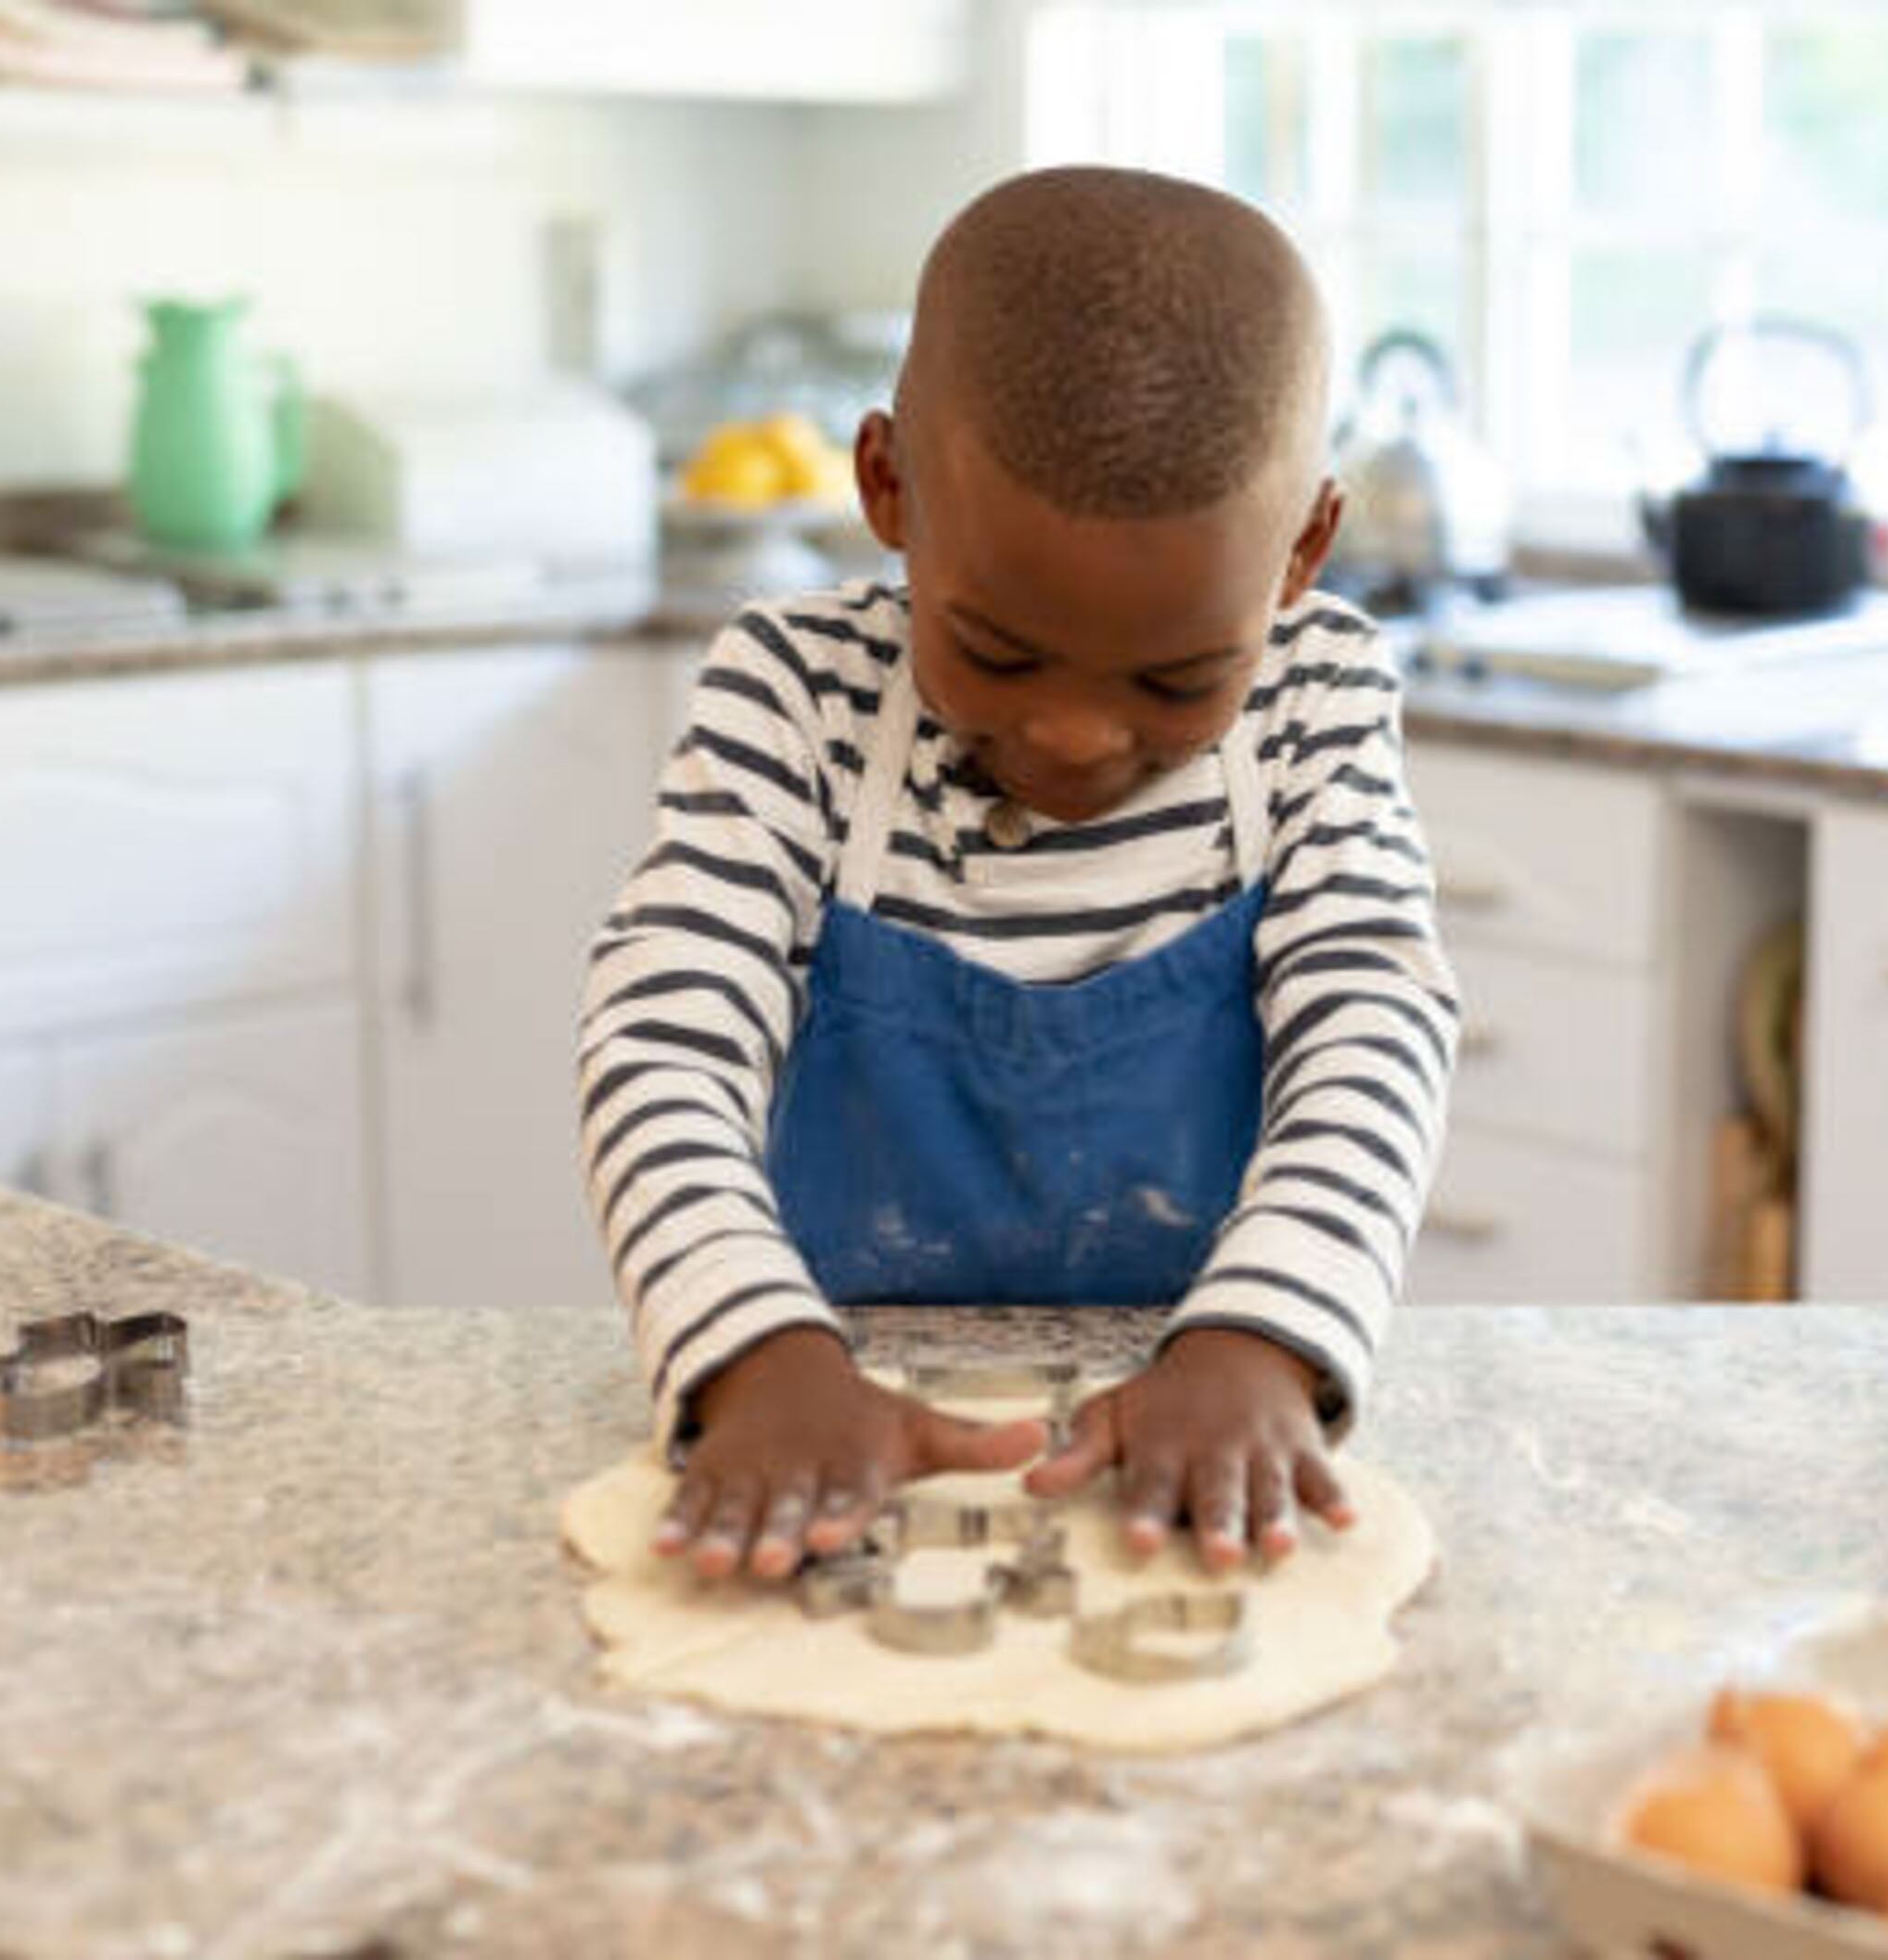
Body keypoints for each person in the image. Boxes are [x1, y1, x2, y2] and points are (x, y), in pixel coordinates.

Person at [576, 165, 1459, 1589]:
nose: (1074, 734)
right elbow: (661, 1042)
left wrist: (1265, 1339)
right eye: (993, 651)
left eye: (1178, 679)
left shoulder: (1318, 702)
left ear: (1301, 551)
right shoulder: (795, 697)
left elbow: (1375, 1025)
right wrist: (752, 1353)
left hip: (1203, 1432)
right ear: (887, 489)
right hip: (827, 1418)